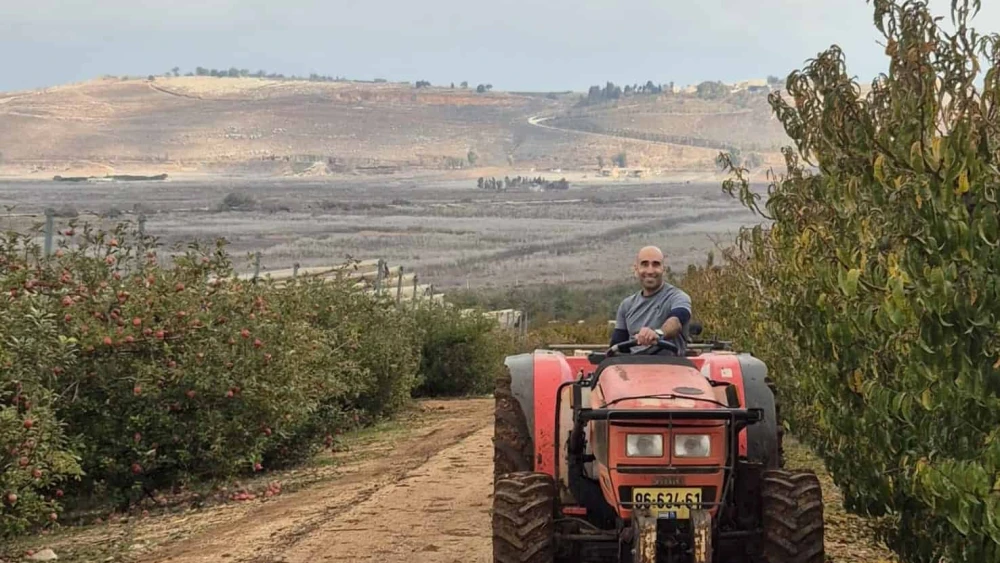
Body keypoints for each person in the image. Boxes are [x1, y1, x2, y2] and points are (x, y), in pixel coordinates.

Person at [610, 246, 692, 354]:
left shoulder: (678, 297)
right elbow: (617, 345)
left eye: (656, 264)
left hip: (670, 366)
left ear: (664, 269)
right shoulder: (627, 305)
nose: (650, 270)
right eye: (644, 264)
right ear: (636, 269)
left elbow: (676, 322)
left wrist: (658, 334)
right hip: (633, 366)